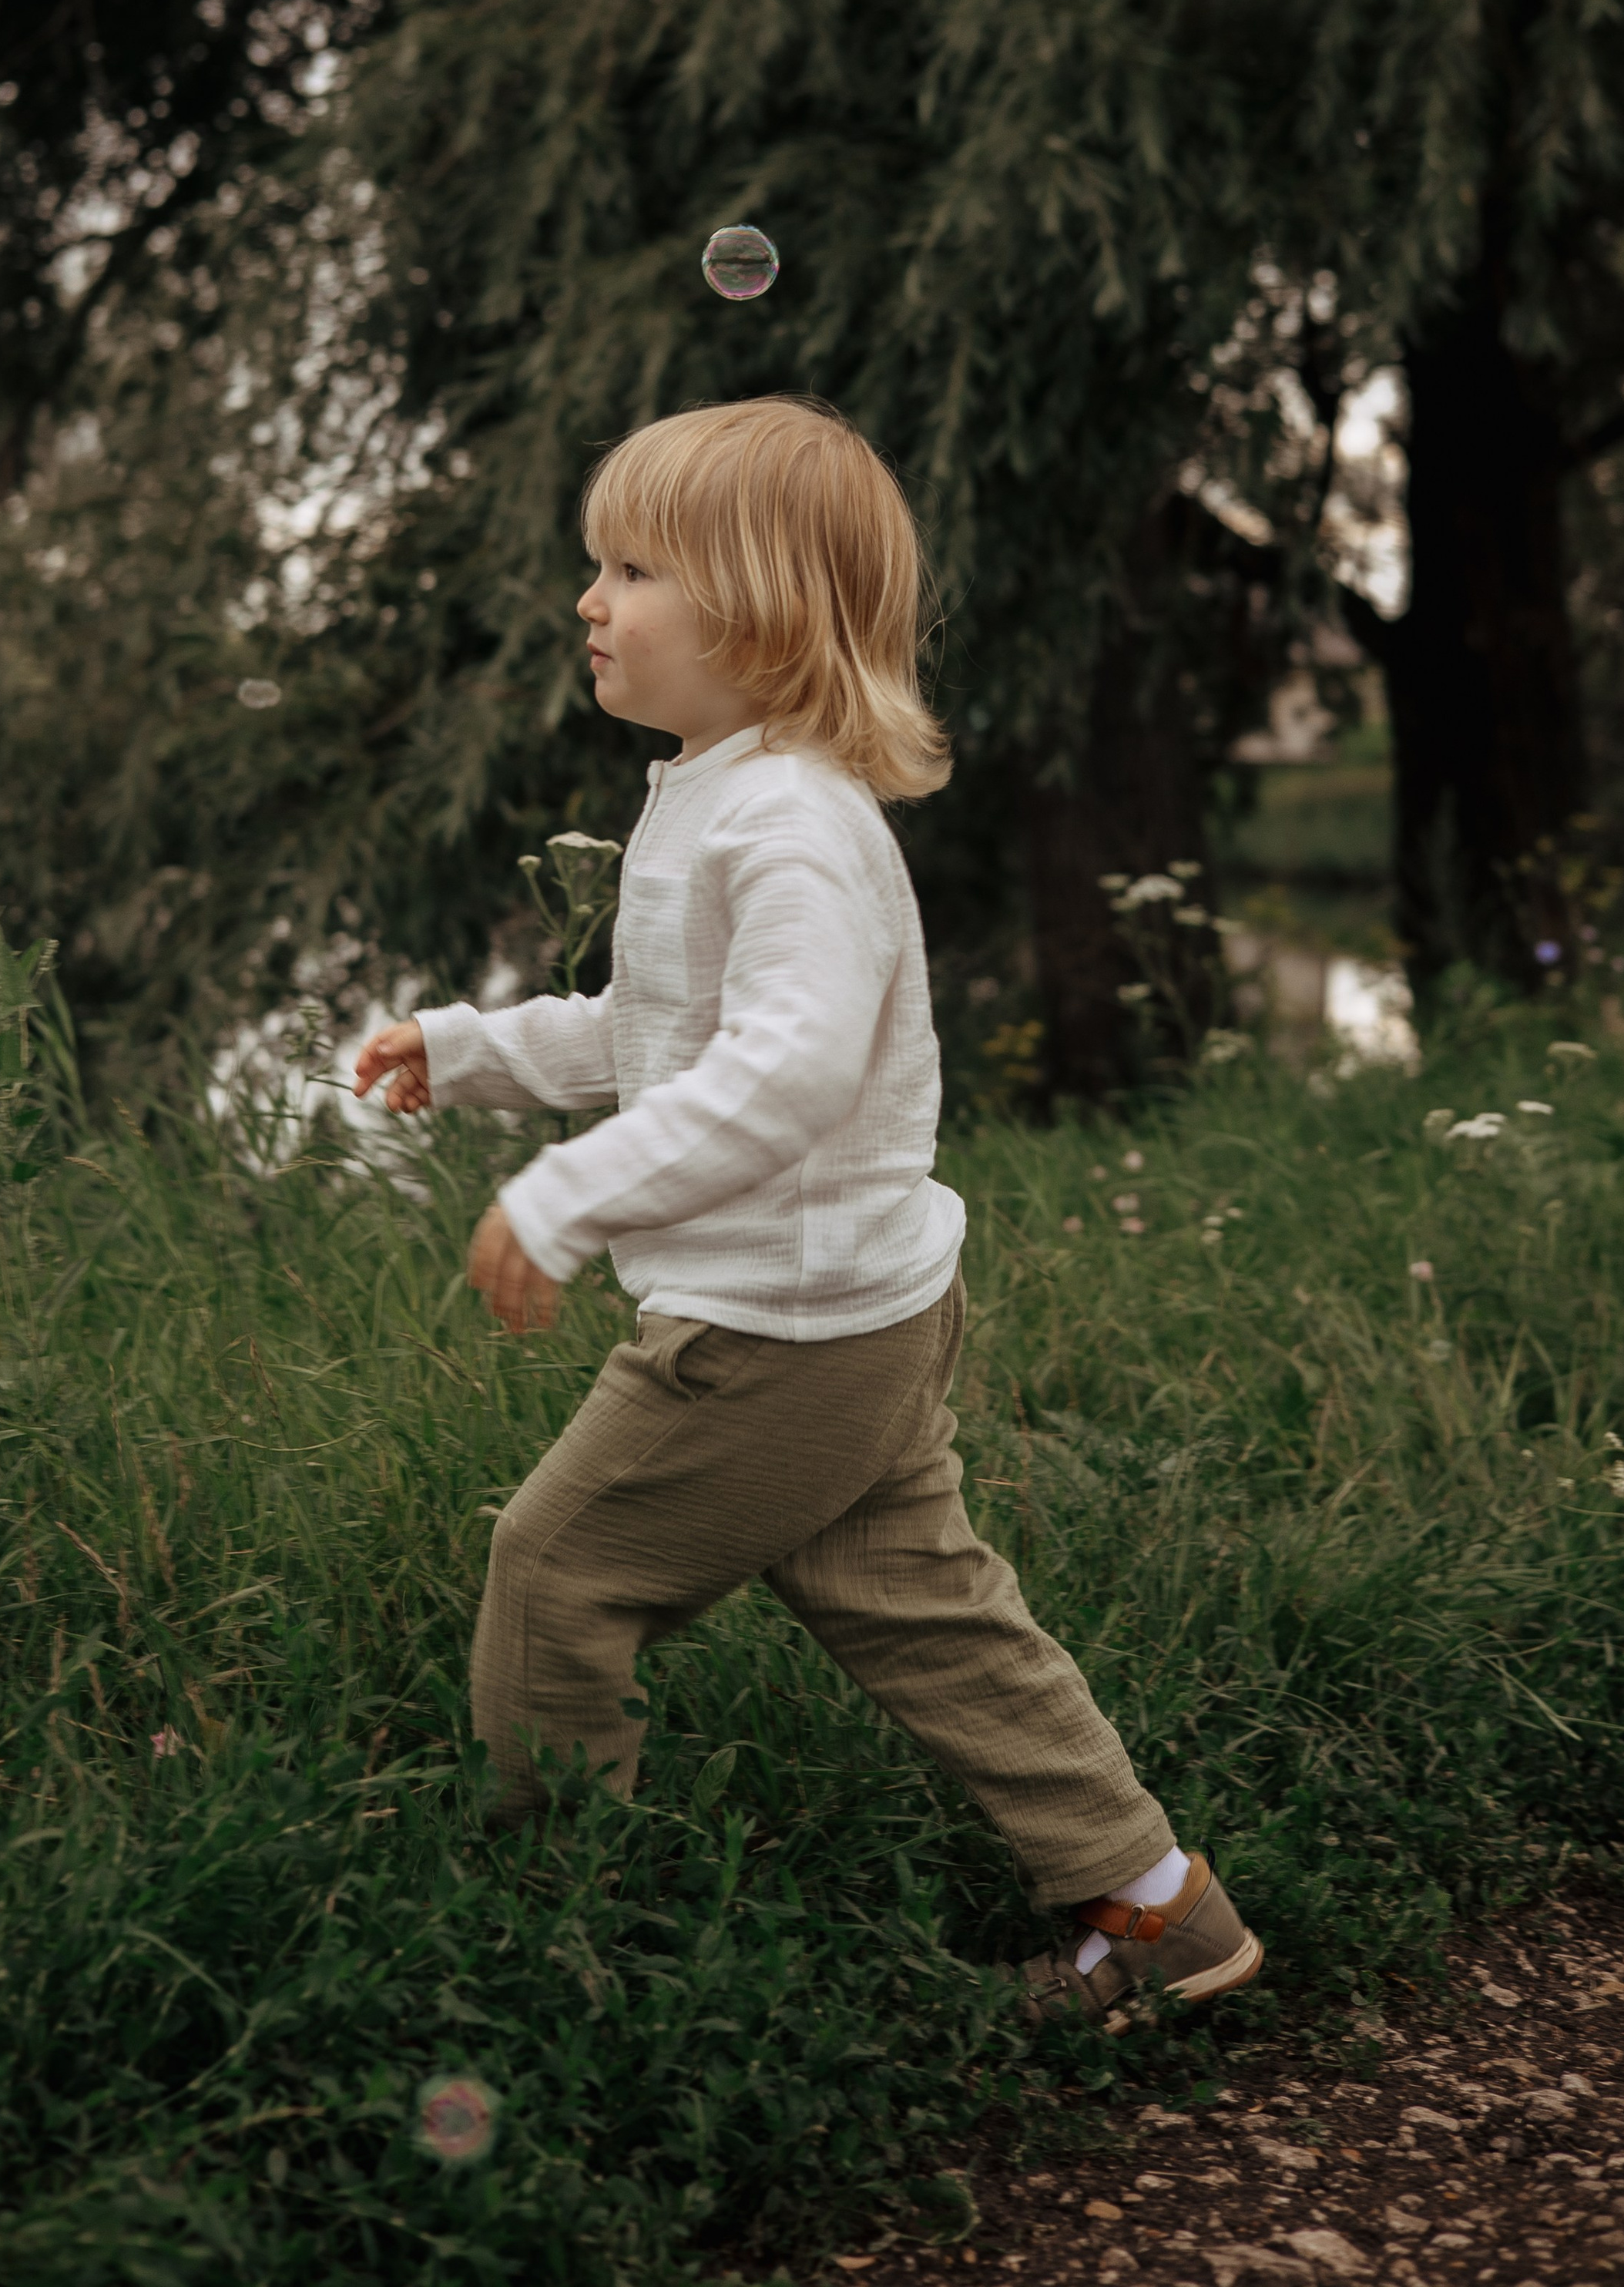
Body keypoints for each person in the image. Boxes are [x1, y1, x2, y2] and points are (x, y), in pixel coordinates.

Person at [353, 396, 1261, 2029]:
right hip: (851, 1304)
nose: (589, 598)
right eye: (597, 564)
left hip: (778, 1328)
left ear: (762, 610)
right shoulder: (715, 793)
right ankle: (1164, 1918)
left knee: (556, 1575)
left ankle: (559, 1963)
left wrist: (568, 1193)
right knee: (928, 1616)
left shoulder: (789, 827)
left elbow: (779, 1076)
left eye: (632, 567)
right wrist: (475, 1048)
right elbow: (662, 1039)